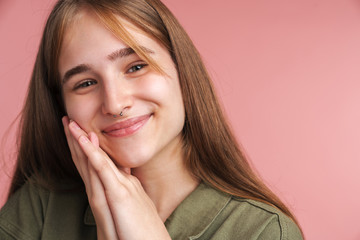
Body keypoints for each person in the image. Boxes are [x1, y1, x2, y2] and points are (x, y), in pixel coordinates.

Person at [0, 0, 304, 239]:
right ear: (62, 106)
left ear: (182, 69)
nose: (115, 104)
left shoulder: (264, 232)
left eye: (135, 67)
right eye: (85, 83)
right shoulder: (40, 207)